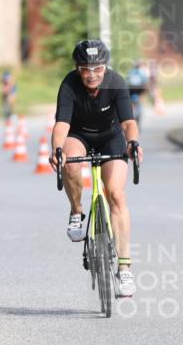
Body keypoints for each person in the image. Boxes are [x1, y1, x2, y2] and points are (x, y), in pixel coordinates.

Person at [50, 40, 143, 298]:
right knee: (69, 161)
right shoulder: (69, 84)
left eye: (98, 69)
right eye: (85, 69)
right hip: (79, 136)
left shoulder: (117, 82)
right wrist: (57, 150)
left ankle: (124, 269)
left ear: (106, 67)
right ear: (77, 69)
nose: (92, 75)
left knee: (116, 195)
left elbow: (128, 123)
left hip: (110, 137)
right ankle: (77, 211)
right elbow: (61, 126)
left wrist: (133, 143)